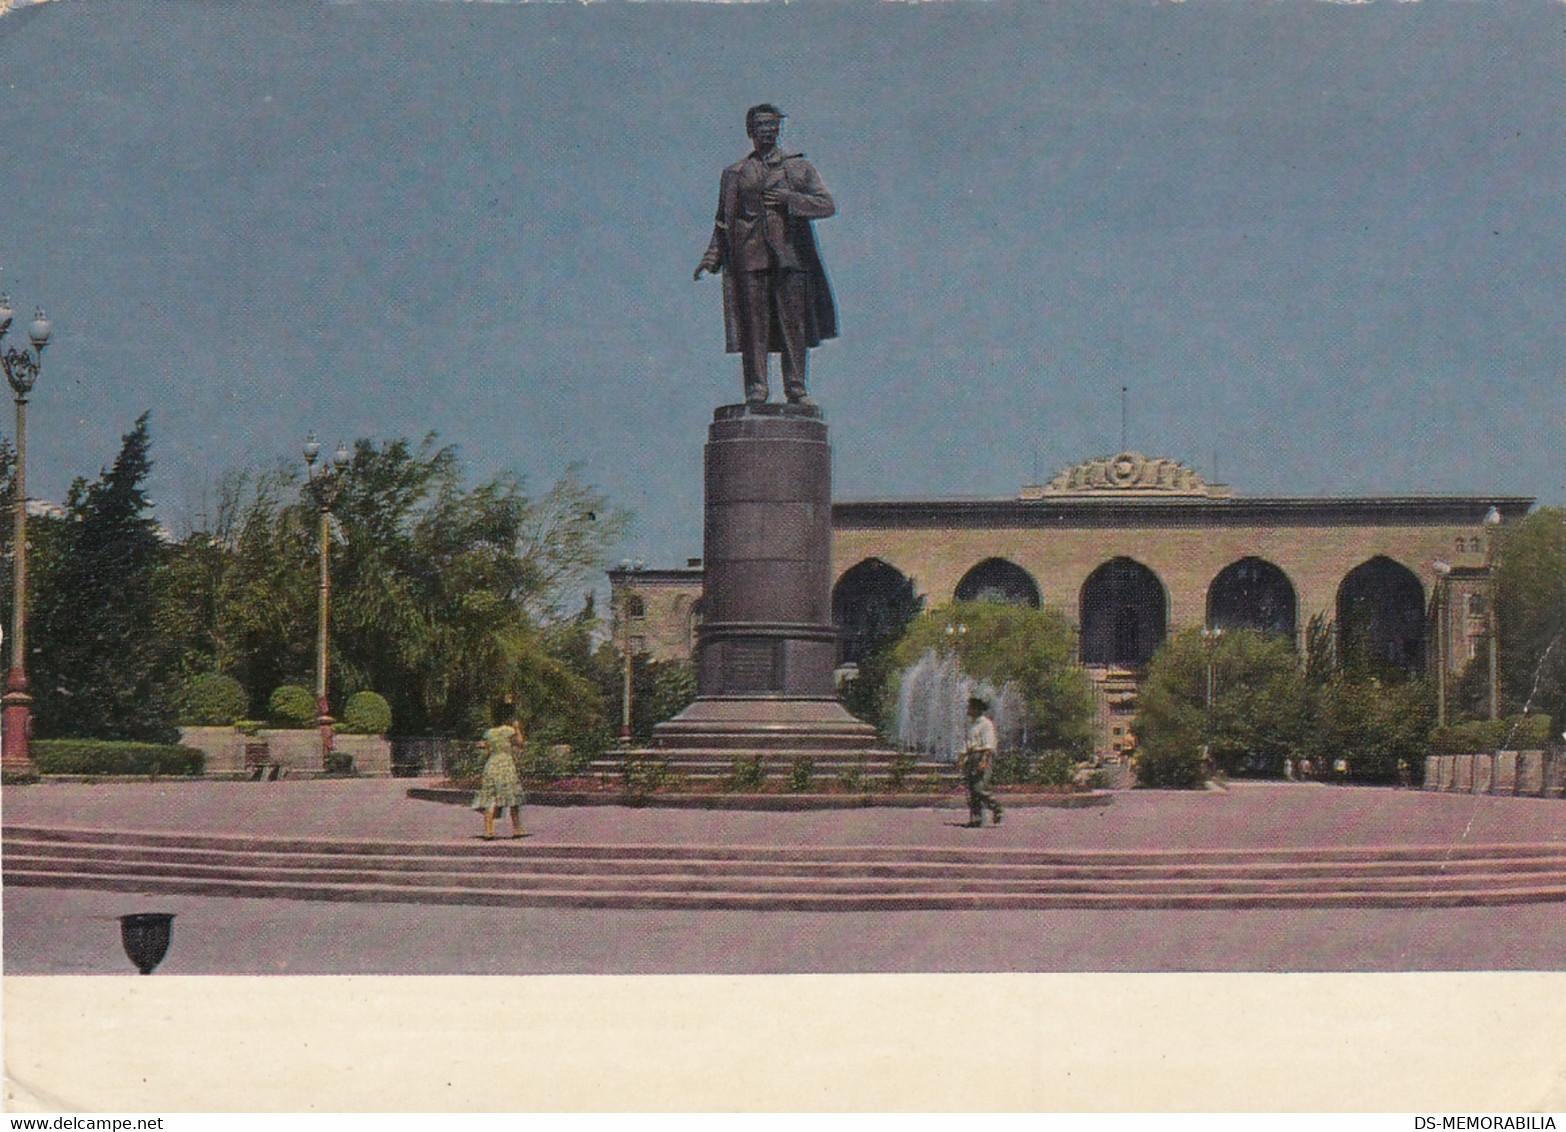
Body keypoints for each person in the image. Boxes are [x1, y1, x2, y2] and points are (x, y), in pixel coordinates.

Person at [695, 103, 838, 407]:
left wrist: (791, 200)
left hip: (791, 259)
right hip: (749, 258)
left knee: (793, 326)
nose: (768, 130)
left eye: (772, 125)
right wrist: (712, 255)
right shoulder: (735, 173)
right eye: (761, 125)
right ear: (750, 131)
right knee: (754, 328)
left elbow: (827, 205)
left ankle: (796, 388)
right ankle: (757, 388)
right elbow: (723, 221)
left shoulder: (798, 168)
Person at [473, 711, 526, 840]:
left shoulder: (490, 732)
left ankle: (488, 830)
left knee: (491, 797)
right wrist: (518, 728)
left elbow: (486, 749)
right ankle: (517, 829)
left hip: (491, 764)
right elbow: (519, 742)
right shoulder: (508, 730)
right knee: (512, 796)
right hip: (505, 764)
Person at [960, 695, 1003, 828]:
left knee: (979, 788)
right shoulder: (972, 725)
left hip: (982, 755)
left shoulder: (986, 724)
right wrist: (963, 757)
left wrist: (985, 761)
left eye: (970, 707)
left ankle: (996, 807)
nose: (968, 709)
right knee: (972, 790)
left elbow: (989, 745)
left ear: (976, 709)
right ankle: (977, 819)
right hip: (972, 757)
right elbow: (968, 743)